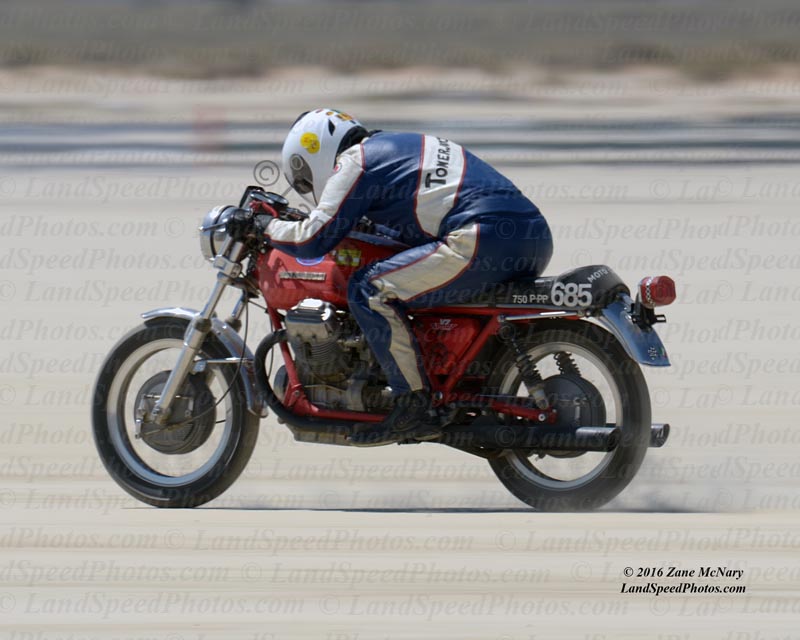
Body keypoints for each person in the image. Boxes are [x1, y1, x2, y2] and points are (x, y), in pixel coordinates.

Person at [262, 108, 553, 445]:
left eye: (301, 171)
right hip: (532, 237)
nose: (304, 182)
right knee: (406, 279)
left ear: (316, 150)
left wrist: (266, 226)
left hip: (480, 239)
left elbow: (314, 238)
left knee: (368, 289)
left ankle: (412, 405)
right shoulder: (400, 145)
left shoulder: (355, 161)